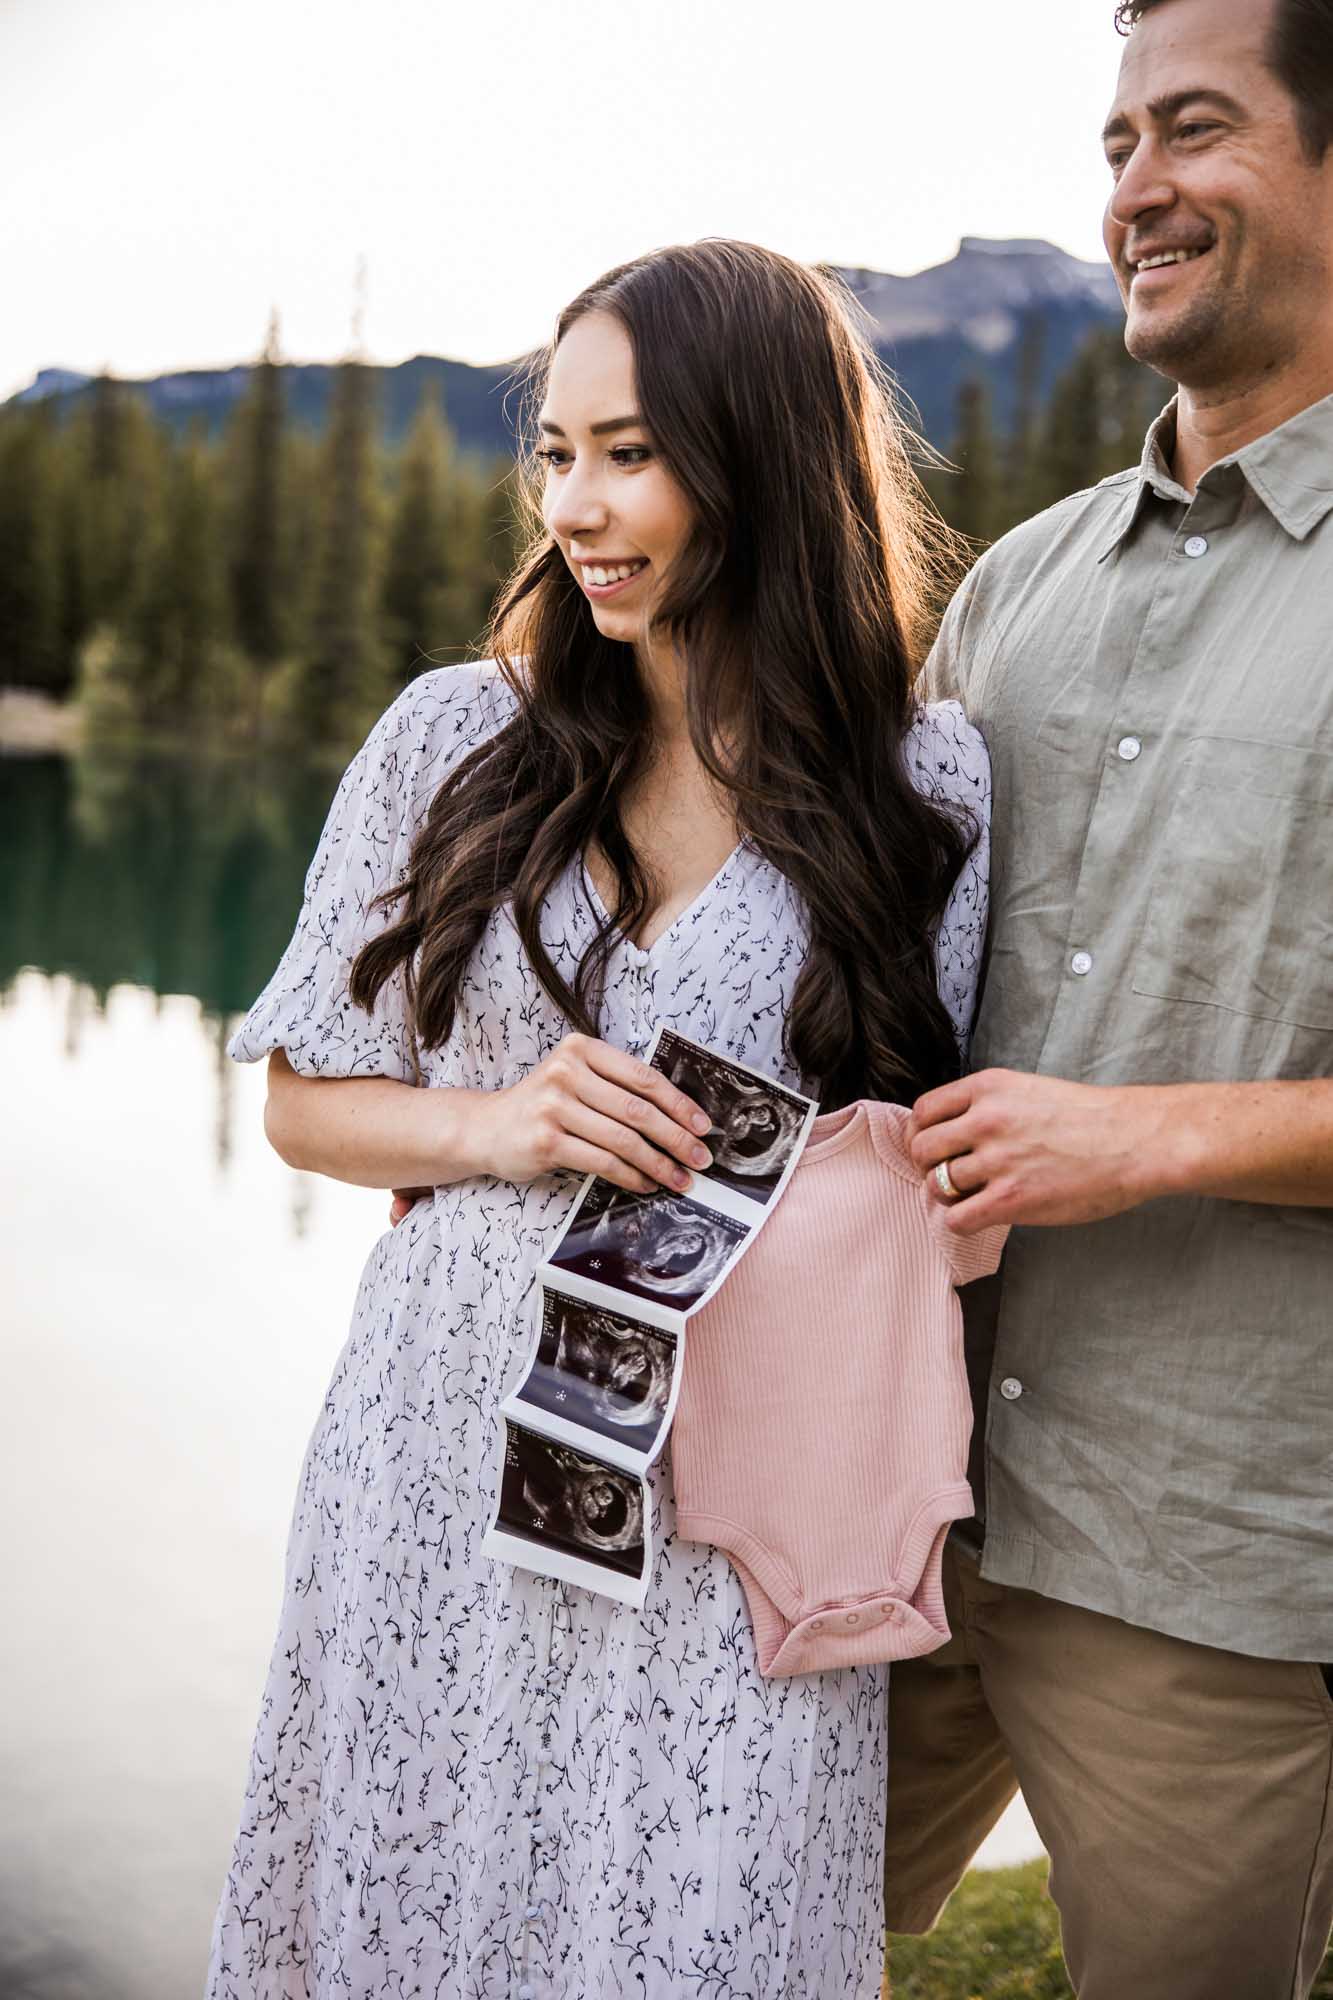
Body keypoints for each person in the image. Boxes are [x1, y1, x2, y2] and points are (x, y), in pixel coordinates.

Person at [205, 240, 992, 2000]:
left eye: (629, 453)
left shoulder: (923, 784)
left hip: (739, 1503)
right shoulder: (452, 737)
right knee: (414, 1908)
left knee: (693, 1928)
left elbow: (919, 1168)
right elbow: (304, 1104)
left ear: (764, 457)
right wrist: (499, 1126)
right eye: (554, 451)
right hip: (442, 1451)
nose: (573, 505)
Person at [886, 2, 1333, 1995]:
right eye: (1115, 141)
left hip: (1209, 1552)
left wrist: (1143, 1135)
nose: (1133, 190)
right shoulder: (1014, 589)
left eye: (1194, 129)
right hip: (885, 1494)